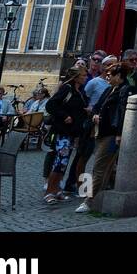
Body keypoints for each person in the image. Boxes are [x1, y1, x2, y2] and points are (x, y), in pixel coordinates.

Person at [77, 63, 130, 213]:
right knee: (101, 166)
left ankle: (88, 200)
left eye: (110, 75)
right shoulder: (109, 89)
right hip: (99, 131)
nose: (107, 77)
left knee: (100, 167)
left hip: (110, 133)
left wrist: (119, 133)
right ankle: (92, 196)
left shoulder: (124, 90)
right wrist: (95, 114)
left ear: (119, 76)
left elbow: (122, 112)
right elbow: (97, 106)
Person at [43, 67, 88, 204]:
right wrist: (65, 116)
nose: (86, 77)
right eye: (83, 75)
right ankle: (49, 191)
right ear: (76, 77)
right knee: (59, 162)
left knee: (64, 162)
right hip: (63, 131)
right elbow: (51, 105)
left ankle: (57, 190)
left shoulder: (79, 91)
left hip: (72, 132)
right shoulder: (66, 89)